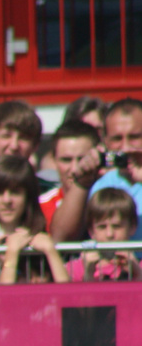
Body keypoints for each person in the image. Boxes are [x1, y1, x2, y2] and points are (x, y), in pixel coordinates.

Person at [51, 98, 142, 241]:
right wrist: (82, 183)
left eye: (135, 137)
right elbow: (60, 236)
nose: (125, 147)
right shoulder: (97, 183)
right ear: (105, 140)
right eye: (117, 138)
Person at [0, 156, 69, 284]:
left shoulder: (41, 238)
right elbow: (1, 298)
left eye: (15, 192)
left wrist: (50, 250)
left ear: (28, 197)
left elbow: (68, 294)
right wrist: (12, 253)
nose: (7, 200)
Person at [69, 187, 139, 281]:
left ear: (132, 227)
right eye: (102, 227)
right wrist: (89, 274)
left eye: (117, 226)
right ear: (91, 231)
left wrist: (137, 273)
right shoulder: (74, 269)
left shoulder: (139, 267)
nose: (109, 234)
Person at [39, 122, 101, 226]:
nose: (74, 168)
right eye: (66, 160)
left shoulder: (114, 198)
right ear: (54, 160)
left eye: (83, 159)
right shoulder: (40, 208)